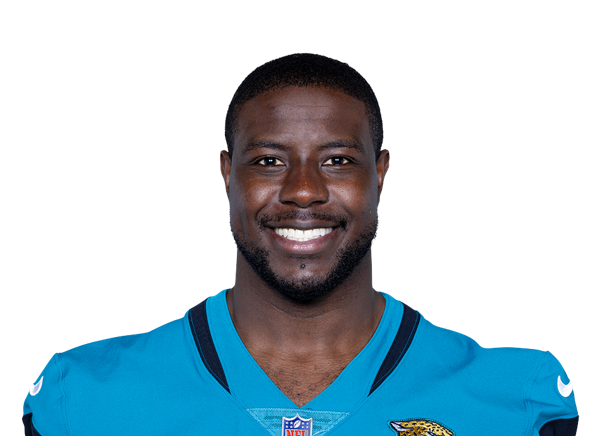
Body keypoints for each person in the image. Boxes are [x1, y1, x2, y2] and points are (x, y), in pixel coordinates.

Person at [22, 53, 578, 435]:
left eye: (337, 160)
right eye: (269, 161)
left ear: (380, 175)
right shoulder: (83, 398)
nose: (304, 190)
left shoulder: (518, 400)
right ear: (227, 175)